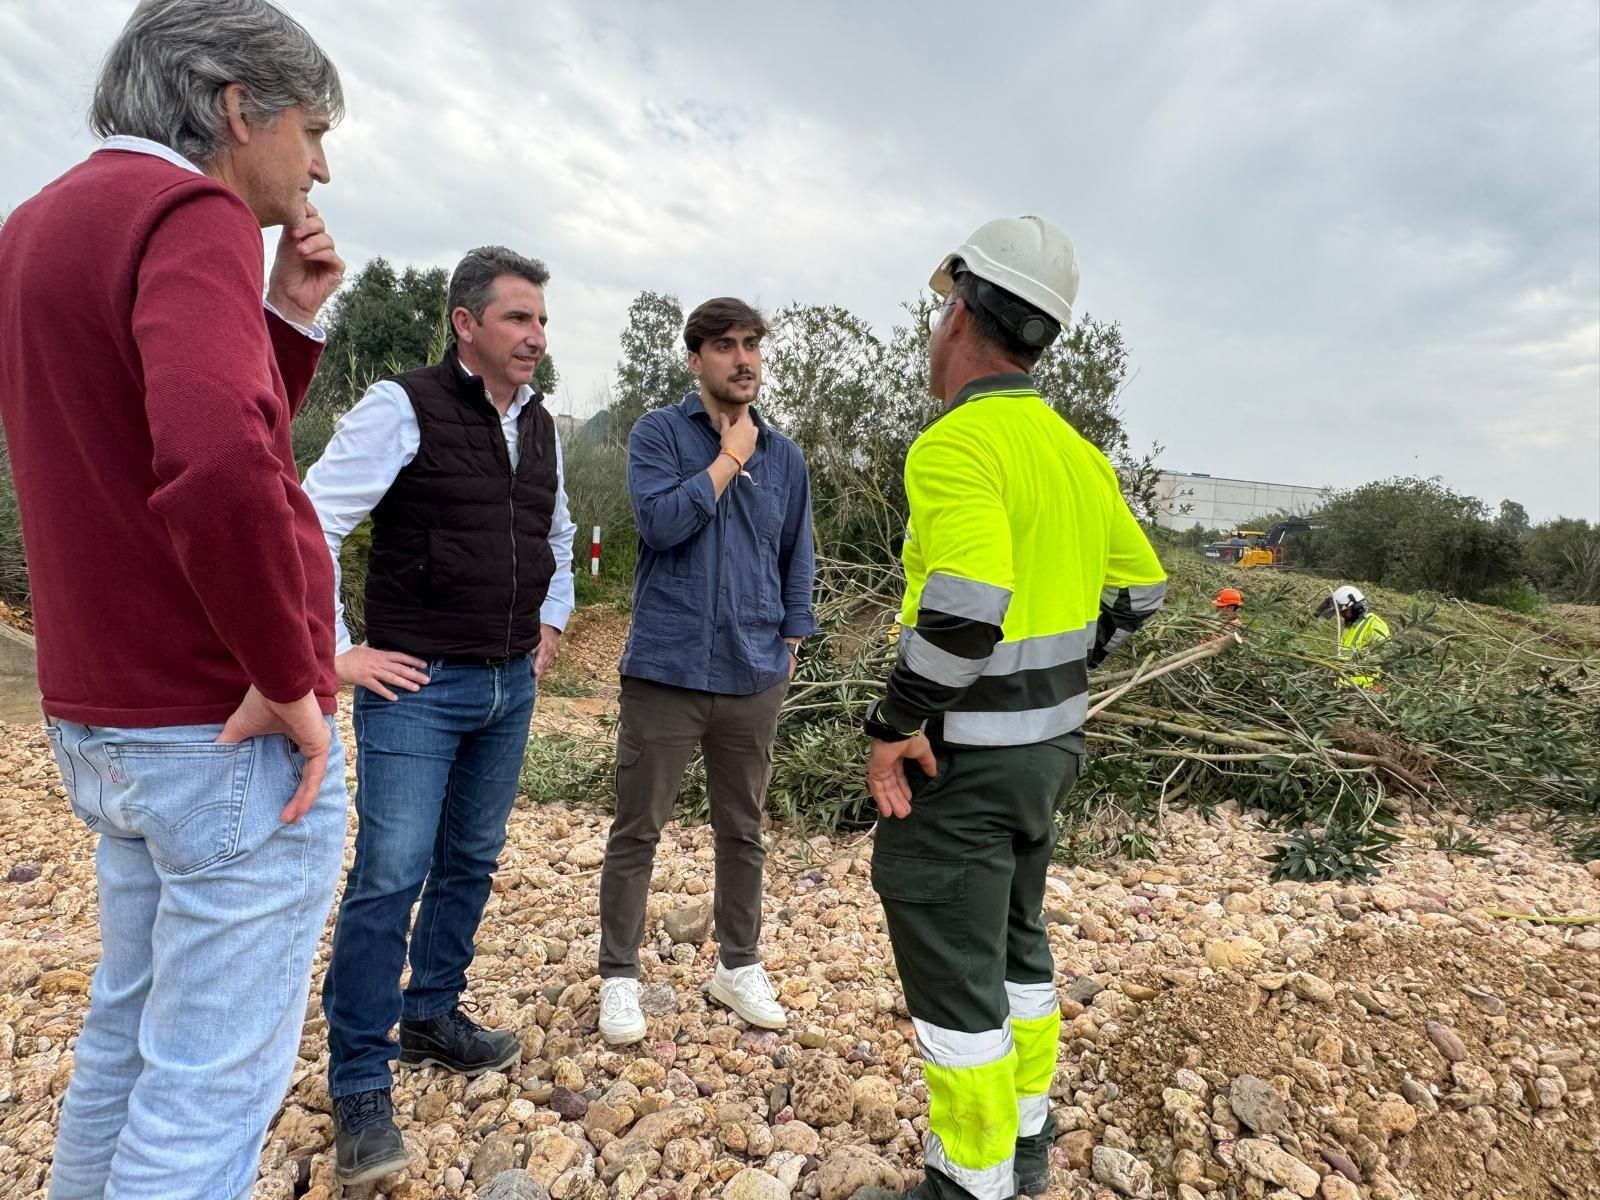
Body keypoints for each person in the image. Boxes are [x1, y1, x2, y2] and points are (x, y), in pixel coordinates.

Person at [0, 3, 347, 1196]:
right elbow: (213, 458)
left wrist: (285, 321)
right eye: (309, 129)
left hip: (105, 715)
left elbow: (146, 423)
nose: (318, 164)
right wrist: (288, 668)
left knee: (125, 1039)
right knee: (206, 1092)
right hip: (219, 723)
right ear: (235, 107)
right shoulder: (187, 211)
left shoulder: (36, 224)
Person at [856, 218, 1166, 1200]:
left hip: (967, 766)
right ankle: (1025, 1148)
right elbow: (1141, 590)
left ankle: (970, 1184)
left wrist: (895, 725)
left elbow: (963, 610)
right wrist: (1058, 678)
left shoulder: (956, 446)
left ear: (958, 312)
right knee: (1017, 950)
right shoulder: (1076, 455)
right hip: (1048, 757)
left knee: (956, 985)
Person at [305, 247, 576, 1184]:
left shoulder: (539, 424)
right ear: (466, 323)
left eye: (541, 320)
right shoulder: (400, 405)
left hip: (510, 683)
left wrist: (551, 618)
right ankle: (358, 1083)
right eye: (517, 319)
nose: (536, 337)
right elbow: (312, 520)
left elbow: (557, 531)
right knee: (389, 875)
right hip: (417, 687)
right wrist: (334, 651)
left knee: (471, 859)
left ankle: (431, 1014)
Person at [595, 297, 817, 1045]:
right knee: (637, 830)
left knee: (743, 830)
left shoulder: (786, 458)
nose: (743, 358)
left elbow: (796, 556)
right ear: (695, 359)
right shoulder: (659, 434)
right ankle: (619, 977)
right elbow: (659, 524)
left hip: (753, 674)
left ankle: (738, 964)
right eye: (725, 345)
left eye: (752, 344)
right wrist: (728, 460)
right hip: (665, 669)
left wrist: (791, 640)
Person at [1315, 583, 1390, 688]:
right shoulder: (1350, 627)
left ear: (1357, 607)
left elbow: (1383, 658)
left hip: (1361, 685)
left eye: (1344, 611)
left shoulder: (1375, 625)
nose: (1342, 615)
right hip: (1343, 680)